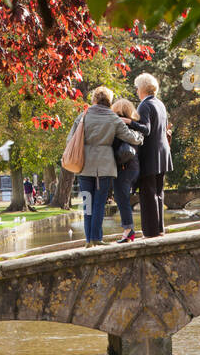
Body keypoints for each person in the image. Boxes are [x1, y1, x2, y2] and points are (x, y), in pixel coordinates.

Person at [68, 86, 143, 246]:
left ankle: (89, 239)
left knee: (87, 203)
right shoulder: (112, 118)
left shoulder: (83, 116)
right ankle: (96, 237)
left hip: (84, 165)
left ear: (94, 99)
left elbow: (70, 140)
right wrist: (140, 136)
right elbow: (131, 137)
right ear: (109, 101)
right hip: (105, 165)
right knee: (99, 203)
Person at [134, 73, 172, 238]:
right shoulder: (160, 104)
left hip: (150, 155)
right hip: (163, 153)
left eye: (137, 88)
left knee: (148, 194)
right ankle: (160, 228)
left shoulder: (144, 106)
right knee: (158, 192)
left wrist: (130, 122)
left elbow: (146, 129)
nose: (136, 91)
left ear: (142, 88)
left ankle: (150, 232)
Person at [110, 98, 149, 242]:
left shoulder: (118, 127)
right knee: (123, 198)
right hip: (134, 167)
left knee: (122, 199)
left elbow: (113, 145)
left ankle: (128, 230)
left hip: (123, 167)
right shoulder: (135, 127)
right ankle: (129, 229)